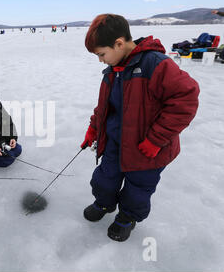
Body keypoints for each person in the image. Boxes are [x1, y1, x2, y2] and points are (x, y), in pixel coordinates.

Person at [80, 14, 200, 242]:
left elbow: (186, 99)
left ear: (119, 43)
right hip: (116, 141)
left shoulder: (155, 64)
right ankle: (104, 204)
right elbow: (104, 107)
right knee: (104, 178)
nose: (101, 61)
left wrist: (156, 139)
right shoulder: (112, 72)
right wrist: (94, 129)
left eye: (101, 54)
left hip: (148, 149)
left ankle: (127, 217)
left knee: (138, 189)